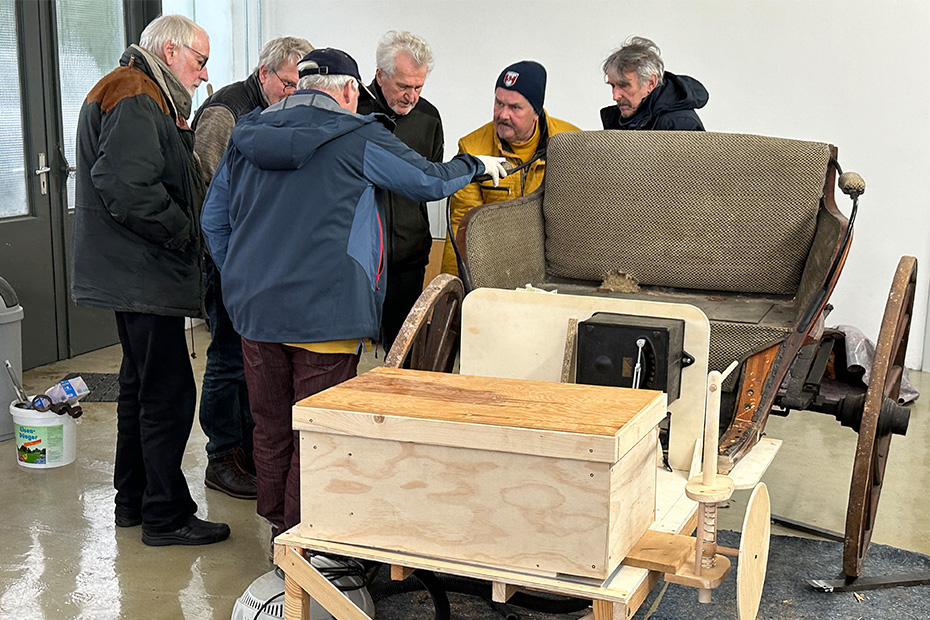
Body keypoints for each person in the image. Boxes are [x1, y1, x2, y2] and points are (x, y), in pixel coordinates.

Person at [200, 48, 507, 536]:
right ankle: (306, 546)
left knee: (272, 427)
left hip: (256, 313)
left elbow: (213, 219)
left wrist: (239, 275)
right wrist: (474, 166)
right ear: (349, 91)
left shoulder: (248, 133)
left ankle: (279, 534)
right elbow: (427, 180)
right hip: (329, 313)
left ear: (299, 87)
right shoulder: (357, 136)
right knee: (318, 434)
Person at [71, 14, 229, 546]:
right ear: (168, 50)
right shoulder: (136, 93)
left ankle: (133, 503)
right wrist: (184, 232)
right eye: (200, 61)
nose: (204, 75)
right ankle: (166, 515)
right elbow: (125, 184)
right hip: (144, 271)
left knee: (140, 388)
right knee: (168, 394)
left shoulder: (139, 91)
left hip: (133, 271)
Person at [191, 36, 313, 500]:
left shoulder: (281, 113)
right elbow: (208, 194)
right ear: (264, 74)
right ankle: (221, 457)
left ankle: (245, 451)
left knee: (251, 365)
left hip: (261, 264)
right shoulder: (227, 113)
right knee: (226, 359)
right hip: (228, 260)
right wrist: (230, 264)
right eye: (286, 83)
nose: (293, 94)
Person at [440, 60, 579, 276]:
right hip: (494, 268)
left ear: (536, 111)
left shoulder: (571, 144)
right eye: (498, 103)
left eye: (515, 107)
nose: (503, 115)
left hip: (552, 269)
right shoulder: (472, 149)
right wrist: (453, 288)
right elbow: (462, 225)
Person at [356, 31, 442, 352]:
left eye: (419, 87)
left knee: (402, 352)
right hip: (358, 261)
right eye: (403, 86)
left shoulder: (428, 118)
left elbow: (430, 181)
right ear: (380, 75)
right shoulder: (353, 113)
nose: (411, 96)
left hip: (408, 258)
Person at [600, 36, 708, 131]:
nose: (615, 96)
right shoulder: (624, 118)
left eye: (624, 85)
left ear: (651, 83)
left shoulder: (679, 124)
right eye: (613, 86)